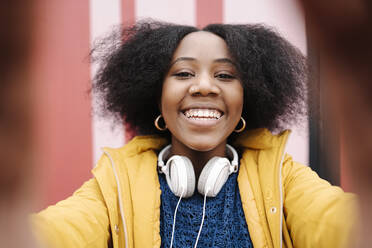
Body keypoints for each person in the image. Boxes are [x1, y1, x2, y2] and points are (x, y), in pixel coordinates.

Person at [31, 21, 358, 248]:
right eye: (184, 73)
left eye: (225, 75)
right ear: (157, 97)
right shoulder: (115, 184)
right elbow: (57, 233)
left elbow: (339, 223)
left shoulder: (283, 178)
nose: (204, 86)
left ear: (247, 99)